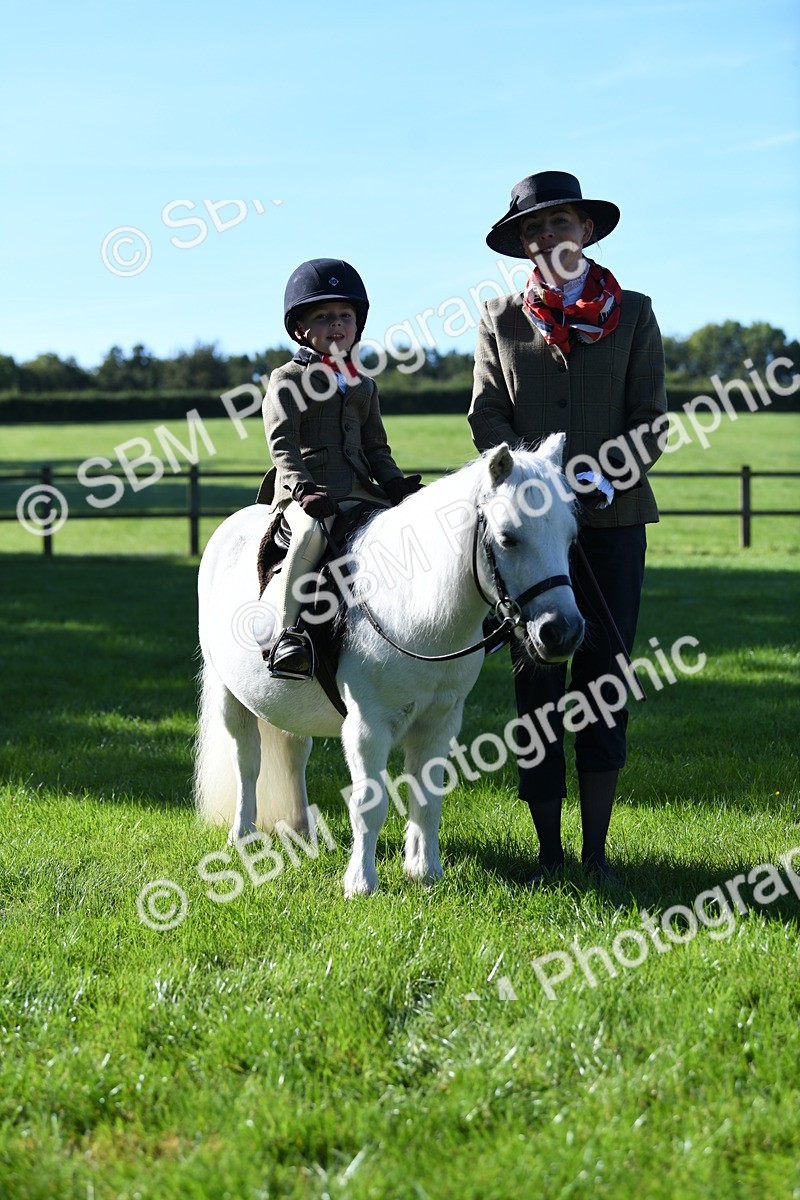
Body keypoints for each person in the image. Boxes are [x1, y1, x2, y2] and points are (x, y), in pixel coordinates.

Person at [468, 171, 667, 886]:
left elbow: (651, 420)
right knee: (537, 686)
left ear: (586, 230)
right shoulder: (500, 320)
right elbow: (486, 415)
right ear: (523, 245)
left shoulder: (636, 314)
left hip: (612, 522)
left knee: (604, 680)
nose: (548, 238)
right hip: (530, 534)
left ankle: (596, 852)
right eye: (533, 230)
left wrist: (603, 473)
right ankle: (548, 852)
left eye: (560, 224)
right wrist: (535, 480)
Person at [259, 257, 422, 680]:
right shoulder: (286, 378)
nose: (337, 324)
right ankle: (289, 634)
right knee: (312, 535)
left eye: (345, 316)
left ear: (358, 325)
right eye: (324, 316)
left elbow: (376, 447)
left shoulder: (364, 384)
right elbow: (283, 444)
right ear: (300, 329)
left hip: (359, 489)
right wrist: (301, 489)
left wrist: (394, 484)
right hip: (307, 493)